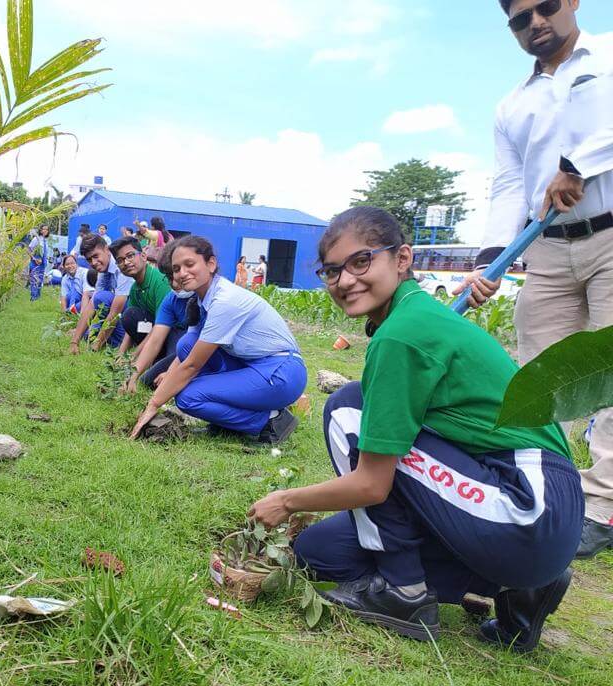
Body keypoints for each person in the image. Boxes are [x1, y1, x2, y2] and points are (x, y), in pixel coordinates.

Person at [246, 207, 583, 648]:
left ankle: (402, 591)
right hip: (533, 515)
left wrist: (286, 501)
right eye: (331, 271)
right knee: (319, 552)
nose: (345, 280)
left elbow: (371, 485)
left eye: (361, 261)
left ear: (402, 258)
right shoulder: (417, 317)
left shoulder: (402, 334)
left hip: (527, 506)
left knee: (348, 408)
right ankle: (519, 586)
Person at [455, 0, 613, 559]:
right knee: (536, 374)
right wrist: (492, 258)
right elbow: (508, 184)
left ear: (571, 2)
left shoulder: (610, 55)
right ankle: (545, 487)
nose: (536, 23)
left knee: (612, 369)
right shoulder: (511, 105)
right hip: (546, 247)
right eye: (520, 20)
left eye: (545, 8)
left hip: (611, 236)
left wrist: (577, 167)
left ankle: (601, 507)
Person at [129, 235, 305, 444]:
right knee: (186, 344)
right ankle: (228, 421)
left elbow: (192, 365)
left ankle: (271, 420)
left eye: (189, 264)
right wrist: (168, 378)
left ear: (210, 264)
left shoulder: (225, 301)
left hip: (281, 373)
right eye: (176, 269)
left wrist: (154, 404)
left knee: (189, 397)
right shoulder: (200, 301)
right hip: (252, 365)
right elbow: (187, 355)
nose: (182, 273)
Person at [121, 242, 193, 394]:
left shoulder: (207, 299)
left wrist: (172, 372)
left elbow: (199, 346)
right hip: (177, 341)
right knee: (146, 381)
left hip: (203, 352)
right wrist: (133, 373)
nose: (174, 283)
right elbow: (155, 339)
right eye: (169, 277)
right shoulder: (171, 299)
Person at [68, 233, 133, 353]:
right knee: (88, 333)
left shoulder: (122, 266)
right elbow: (92, 305)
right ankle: (106, 340)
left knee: (103, 297)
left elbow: (116, 311)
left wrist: (96, 344)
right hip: (120, 320)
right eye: (89, 259)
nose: (93, 262)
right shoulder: (104, 270)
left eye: (96, 256)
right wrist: (75, 341)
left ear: (107, 249)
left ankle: (117, 342)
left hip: (133, 323)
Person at [107, 236, 172, 355]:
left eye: (130, 256)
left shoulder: (160, 282)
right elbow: (130, 328)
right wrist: (121, 354)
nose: (126, 262)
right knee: (129, 315)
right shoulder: (134, 288)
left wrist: (134, 355)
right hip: (154, 331)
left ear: (143, 256)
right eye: (120, 260)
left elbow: (160, 327)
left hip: (170, 333)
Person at [26, 225, 51, 301]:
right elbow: (28, 250)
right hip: (35, 263)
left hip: (43, 263)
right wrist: (34, 258)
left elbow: (44, 252)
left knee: (40, 280)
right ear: (40, 230)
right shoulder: (36, 239)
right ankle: (33, 298)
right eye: (44, 229)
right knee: (34, 280)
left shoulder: (45, 240)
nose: (45, 231)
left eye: (47, 229)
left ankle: (38, 297)